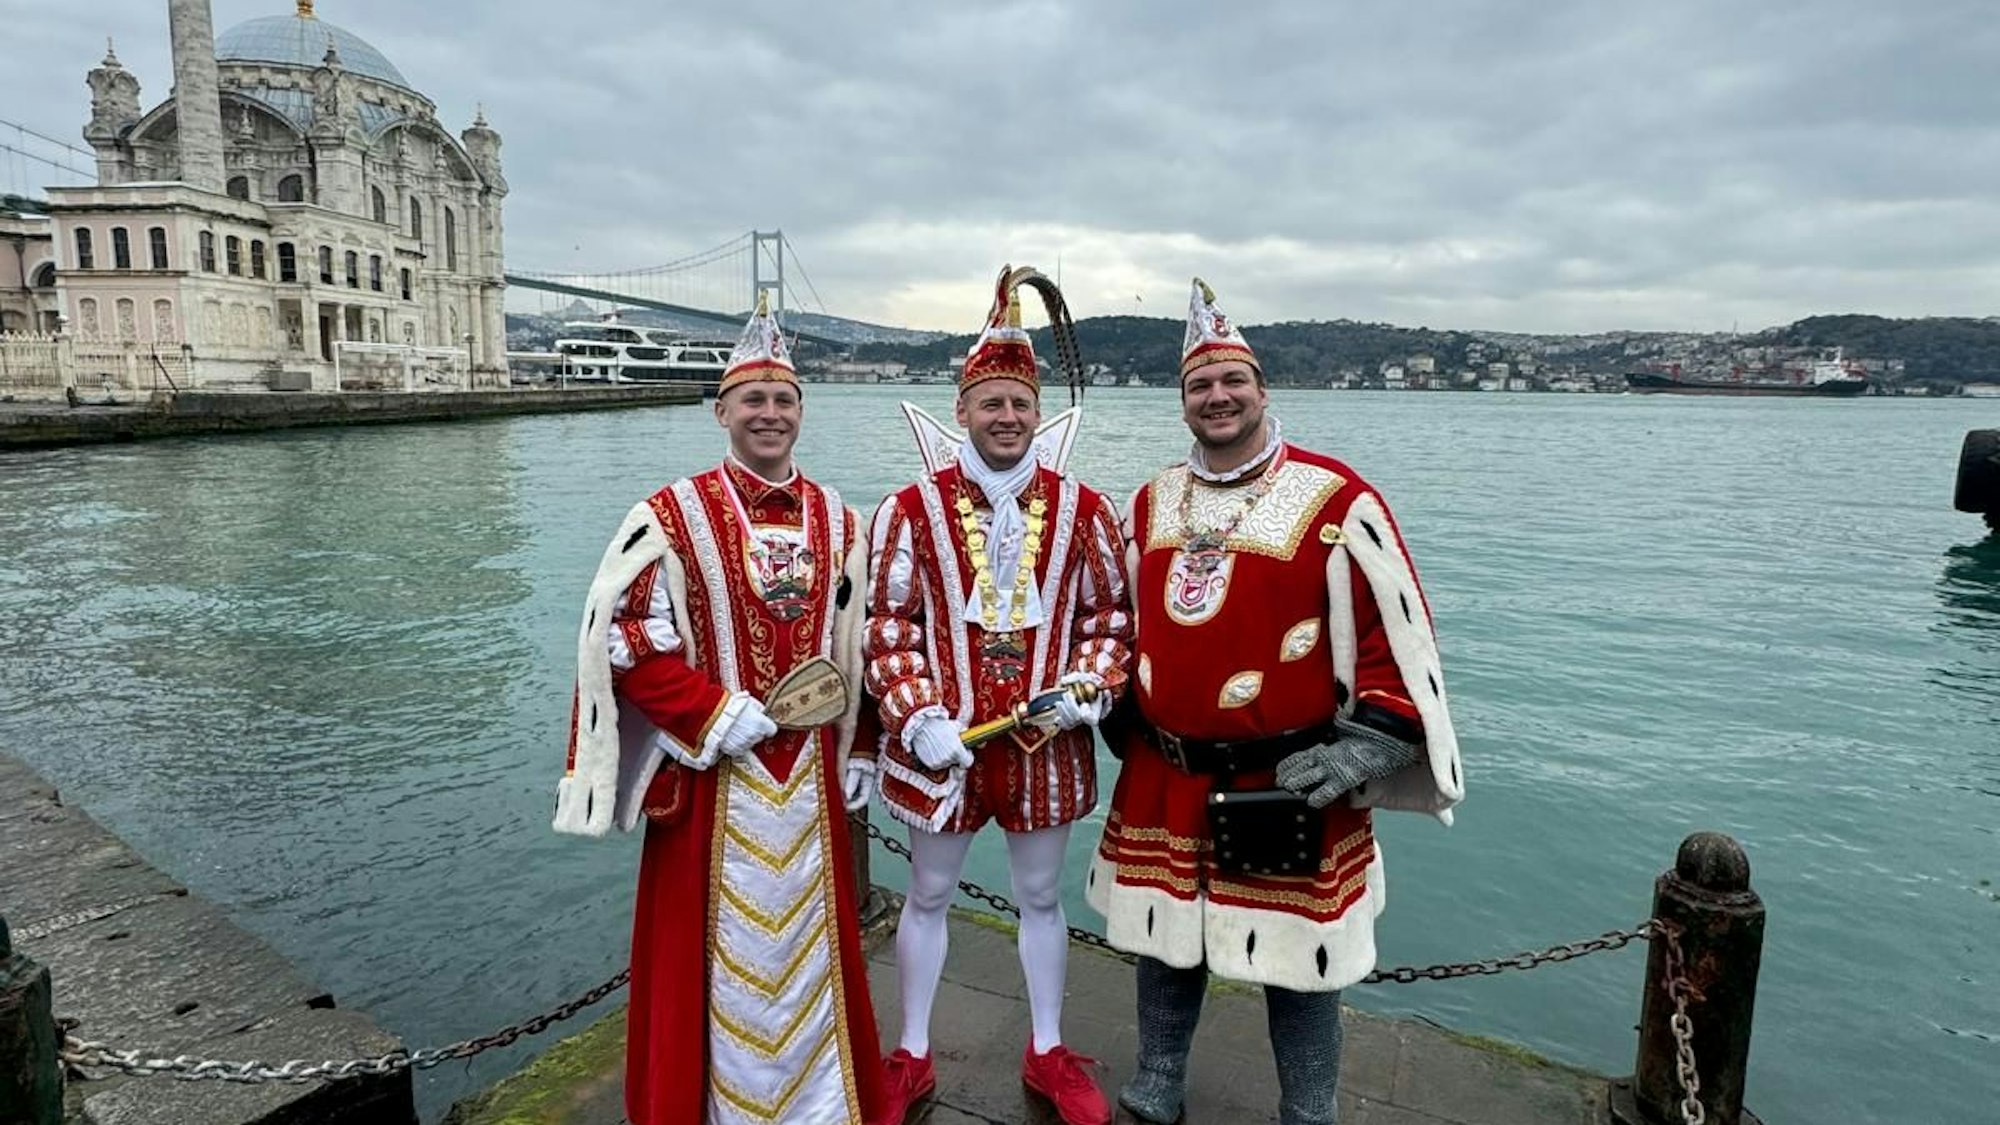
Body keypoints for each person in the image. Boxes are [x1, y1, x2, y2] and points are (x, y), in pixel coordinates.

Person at [1086, 279, 1465, 1125]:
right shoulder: (1149, 500)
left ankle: (1310, 1107)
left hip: (1290, 775)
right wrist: (1113, 704)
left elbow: (1389, 630)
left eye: (1233, 383)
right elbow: (1116, 616)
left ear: (1262, 389)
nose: (1217, 398)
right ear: (1182, 401)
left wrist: (1365, 744)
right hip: (1167, 768)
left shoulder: (1336, 497)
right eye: (1199, 386)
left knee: (1301, 963)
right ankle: (1158, 1079)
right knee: (1164, 944)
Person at [554, 294, 886, 1125]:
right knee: (706, 956)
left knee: (815, 955)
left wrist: (861, 747)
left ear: (801, 414)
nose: (769, 414)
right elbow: (620, 635)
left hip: (810, 782)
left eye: (783, 400)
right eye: (753, 400)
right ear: (722, 412)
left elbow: (865, 644)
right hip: (713, 783)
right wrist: (707, 711)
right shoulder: (667, 514)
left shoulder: (845, 522)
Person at [865, 266, 1132, 1125]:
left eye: (1020, 401)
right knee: (930, 895)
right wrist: (916, 715)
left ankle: (1048, 1048)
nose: (1008, 416)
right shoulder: (909, 509)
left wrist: (1092, 685)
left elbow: (1111, 613)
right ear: (964, 410)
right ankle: (910, 1052)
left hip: (1045, 746)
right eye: (992, 402)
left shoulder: (1087, 508)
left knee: (1042, 897)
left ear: (1035, 408)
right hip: (943, 749)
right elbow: (889, 625)